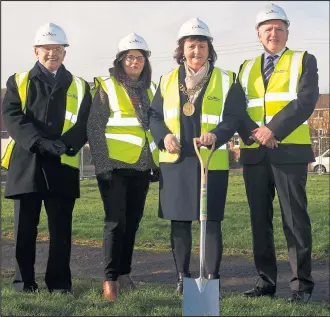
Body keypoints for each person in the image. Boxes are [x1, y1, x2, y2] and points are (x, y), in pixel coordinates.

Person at [149, 17, 246, 295]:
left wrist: (216, 135)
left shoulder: (227, 79)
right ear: (182, 49)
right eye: (191, 46)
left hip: (210, 160)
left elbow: (234, 116)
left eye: (202, 46)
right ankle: (183, 277)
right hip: (176, 162)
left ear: (209, 49)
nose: (196, 52)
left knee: (211, 219)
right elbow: (154, 116)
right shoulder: (166, 80)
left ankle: (212, 279)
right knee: (180, 221)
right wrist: (163, 136)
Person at [236, 3, 319, 303]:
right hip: (255, 153)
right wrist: (257, 133)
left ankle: (301, 287)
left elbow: (306, 100)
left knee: (295, 221)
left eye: (279, 28)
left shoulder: (303, 60)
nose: (273, 33)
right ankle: (265, 282)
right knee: (260, 220)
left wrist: (273, 129)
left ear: (287, 32)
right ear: (258, 34)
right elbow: (237, 107)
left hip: (289, 153)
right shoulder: (244, 68)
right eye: (267, 29)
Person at [1, 22, 92, 293]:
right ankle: (23, 283)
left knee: (60, 231)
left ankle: (59, 284)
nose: (52, 53)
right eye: (47, 49)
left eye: (58, 48)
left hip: (62, 164)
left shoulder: (80, 85)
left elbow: (85, 122)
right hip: (27, 163)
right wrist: (40, 142)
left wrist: (64, 145)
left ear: (65, 52)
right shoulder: (18, 81)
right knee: (24, 230)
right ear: (35, 51)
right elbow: (13, 116)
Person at [87, 32, 159, 302]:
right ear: (120, 60)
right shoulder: (107, 86)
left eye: (139, 58)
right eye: (130, 57)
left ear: (145, 62)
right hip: (114, 167)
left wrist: (156, 162)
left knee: (133, 222)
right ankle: (110, 280)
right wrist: (102, 165)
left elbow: (153, 129)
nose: (134, 62)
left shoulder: (150, 91)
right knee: (115, 223)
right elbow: (94, 127)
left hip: (141, 167)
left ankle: (125, 273)